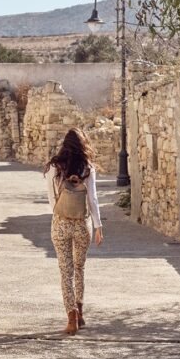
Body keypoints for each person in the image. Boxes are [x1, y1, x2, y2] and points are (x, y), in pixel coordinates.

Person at [44, 128, 103, 335]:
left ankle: (71, 318)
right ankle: (80, 311)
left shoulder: (54, 167)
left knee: (65, 271)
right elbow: (93, 199)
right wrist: (98, 226)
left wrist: (60, 212)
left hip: (60, 223)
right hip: (82, 224)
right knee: (79, 268)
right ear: (82, 144)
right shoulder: (88, 168)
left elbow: (51, 197)